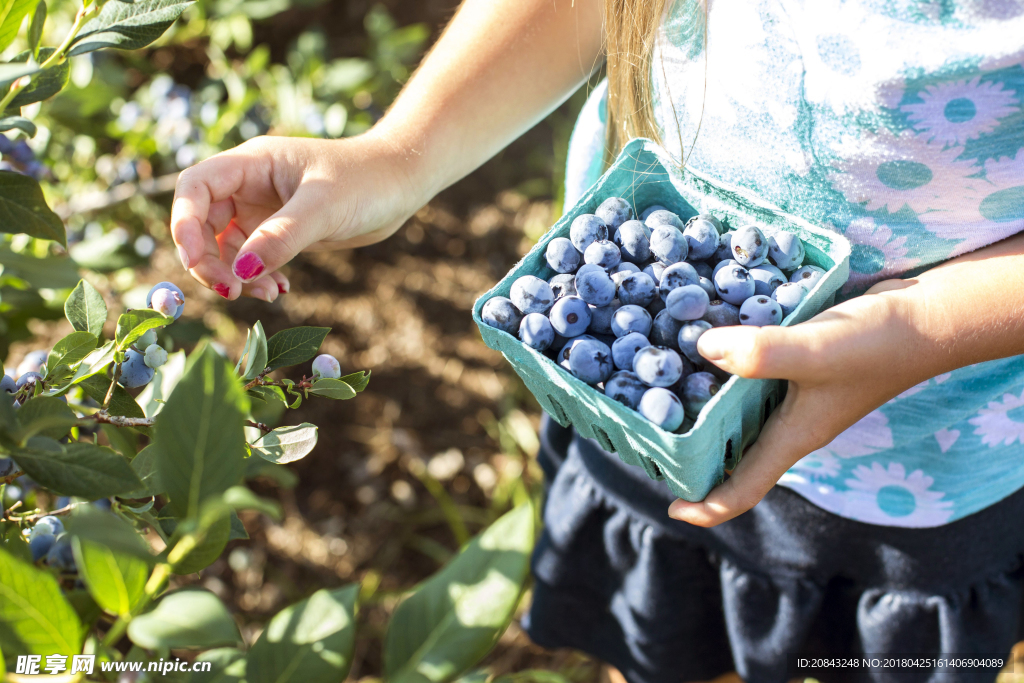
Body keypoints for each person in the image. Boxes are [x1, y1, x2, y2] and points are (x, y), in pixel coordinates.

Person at [170, 0, 1024, 680]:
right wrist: (399, 154)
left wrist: (926, 327)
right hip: (640, 430)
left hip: (920, 463)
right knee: (663, 631)